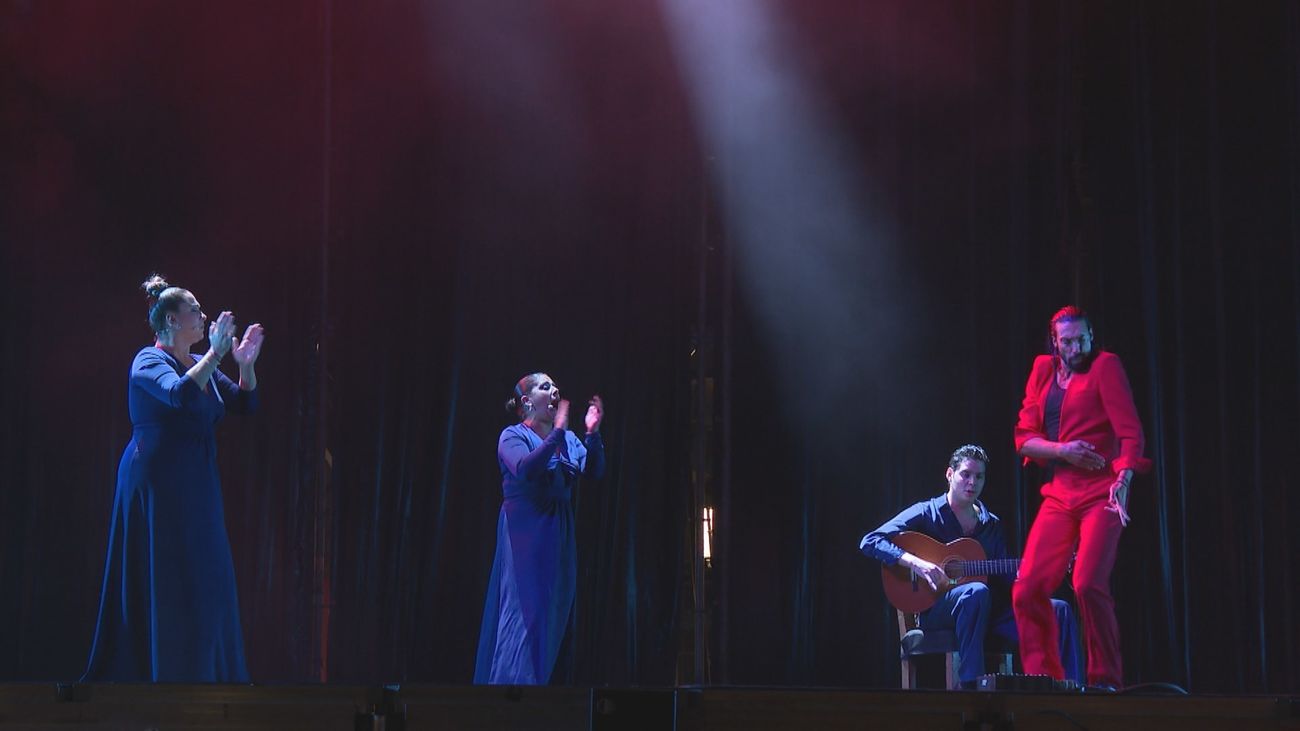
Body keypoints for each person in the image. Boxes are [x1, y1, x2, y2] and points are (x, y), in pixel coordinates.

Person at [83, 275, 264, 682]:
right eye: (194, 311)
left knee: (208, 574)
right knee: (167, 574)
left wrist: (246, 366)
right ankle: (158, 677)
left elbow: (244, 403)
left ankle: (208, 676)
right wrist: (216, 357)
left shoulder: (196, 364)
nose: (203, 317)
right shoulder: (148, 361)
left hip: (195, 480)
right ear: (170, 320)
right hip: (157, 483)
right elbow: (180, 396)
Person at [860, 444, 1081, 689]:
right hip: (937, 610)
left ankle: (1067, 689)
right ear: (949, 474)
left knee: (1058, 609)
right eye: (965, 474)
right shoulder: (927, 512)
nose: (972, 482)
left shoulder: (990, 523)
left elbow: (1004, 580)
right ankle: (972, 688)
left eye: (979, 476)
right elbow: (870, 541)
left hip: (989, 613)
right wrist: (916, 563)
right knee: (975, 592)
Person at [1012, 306, 1150, 689]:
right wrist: (1062, 451)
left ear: (1092, 335)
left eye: (1083, 338)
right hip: (1060, 495)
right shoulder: (1043, 371)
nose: (1077, 347)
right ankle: (1042, 679)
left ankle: (1104, 680)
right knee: (1027, 588)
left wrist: (1123, 479)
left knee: (1088, 583)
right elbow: (1025, 439)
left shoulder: (1105, 366)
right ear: (1055, 342)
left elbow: (1130, 432)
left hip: (1101, 493)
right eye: (1068, 341)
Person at [474, 373, 606, 685]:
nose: (555, 390)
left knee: (552, 612)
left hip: (557, 532)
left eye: (555, 386)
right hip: (526, 530)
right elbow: (526, 468)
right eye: (545, 386)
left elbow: (595, 471)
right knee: (525, 612)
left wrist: (592, 433)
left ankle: (539, 690)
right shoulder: (512, 436)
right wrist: (556, 435)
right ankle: (510, 692)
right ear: (527, 402)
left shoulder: (569, 439)